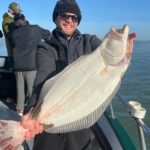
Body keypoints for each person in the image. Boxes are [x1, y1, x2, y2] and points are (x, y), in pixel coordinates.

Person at [21, 0, 136, 150]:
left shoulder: (90, 42)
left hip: (78, 126)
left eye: (74, 17)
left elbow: (110, 62)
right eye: (64, 15)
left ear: (78, 21)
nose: (69, 20)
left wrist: (123, 51)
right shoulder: (46, 48)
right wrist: (32, 112)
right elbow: (43, 78)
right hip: (49, 132)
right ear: (56, 17)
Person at [12, 14, 51, 116]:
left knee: (20, 90)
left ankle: (19, 111)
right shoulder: (35, 29)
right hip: (31, 66)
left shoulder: (14, 32)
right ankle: (31, 112)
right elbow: (48, 35)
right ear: (25, 20)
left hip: (17, 66)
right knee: (32, 91)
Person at [2, 2, 22, 102]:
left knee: (17, 74)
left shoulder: (13, 19)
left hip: (17, 51)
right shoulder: (6, 21)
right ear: (10, 10)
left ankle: (14, 96)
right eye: (15, 12)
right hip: (13, 52)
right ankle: (10, 96)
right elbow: (12, 36)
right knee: (15, 75)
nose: (16, 14)